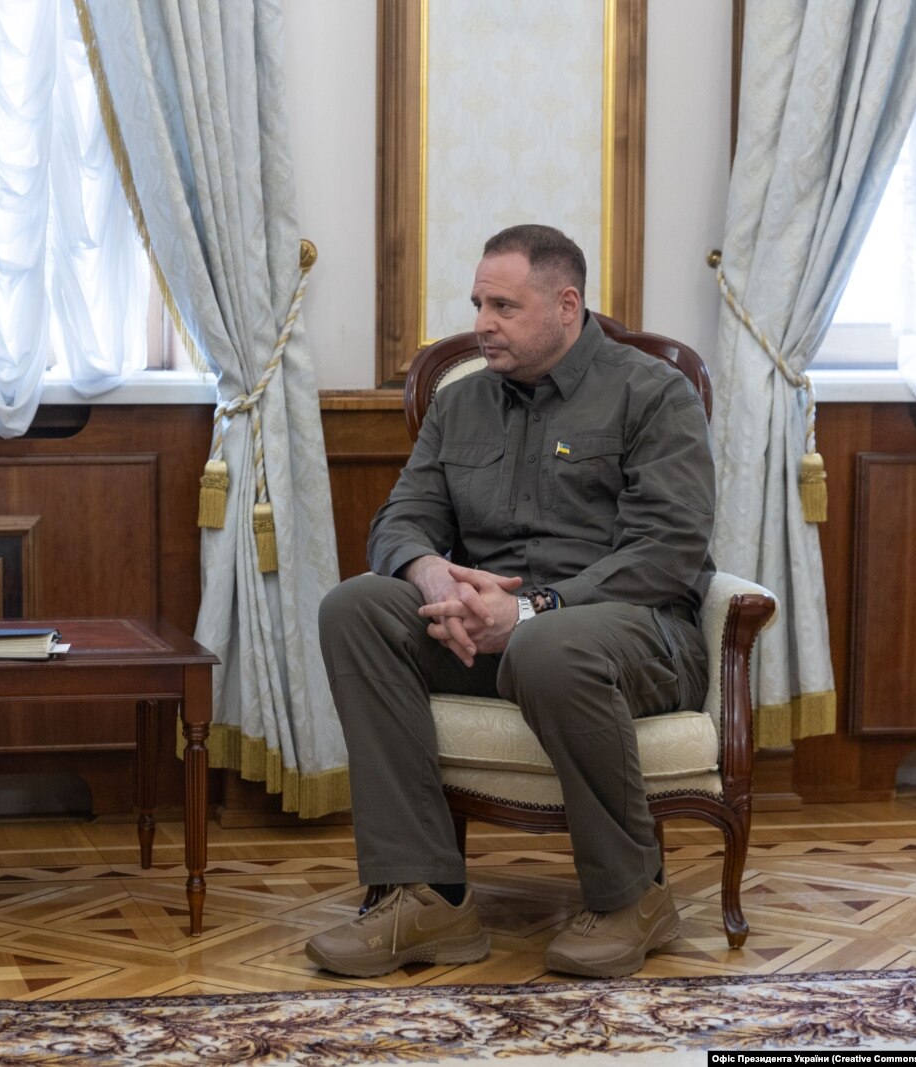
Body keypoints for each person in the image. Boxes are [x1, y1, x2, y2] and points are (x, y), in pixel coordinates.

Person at [305, 224, 714, 980]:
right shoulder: (460, 404)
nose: (482, 324)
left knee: (547, 644)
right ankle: (428, 896)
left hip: (637, 637)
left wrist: (531, 611)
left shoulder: (653, 393)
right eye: (477, 304)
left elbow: (667, 552)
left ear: (566, 305)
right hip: (490, 636)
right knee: (355, 608)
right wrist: (433, 576)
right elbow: (401, 518)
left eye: (503, 306)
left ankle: (633, 896)